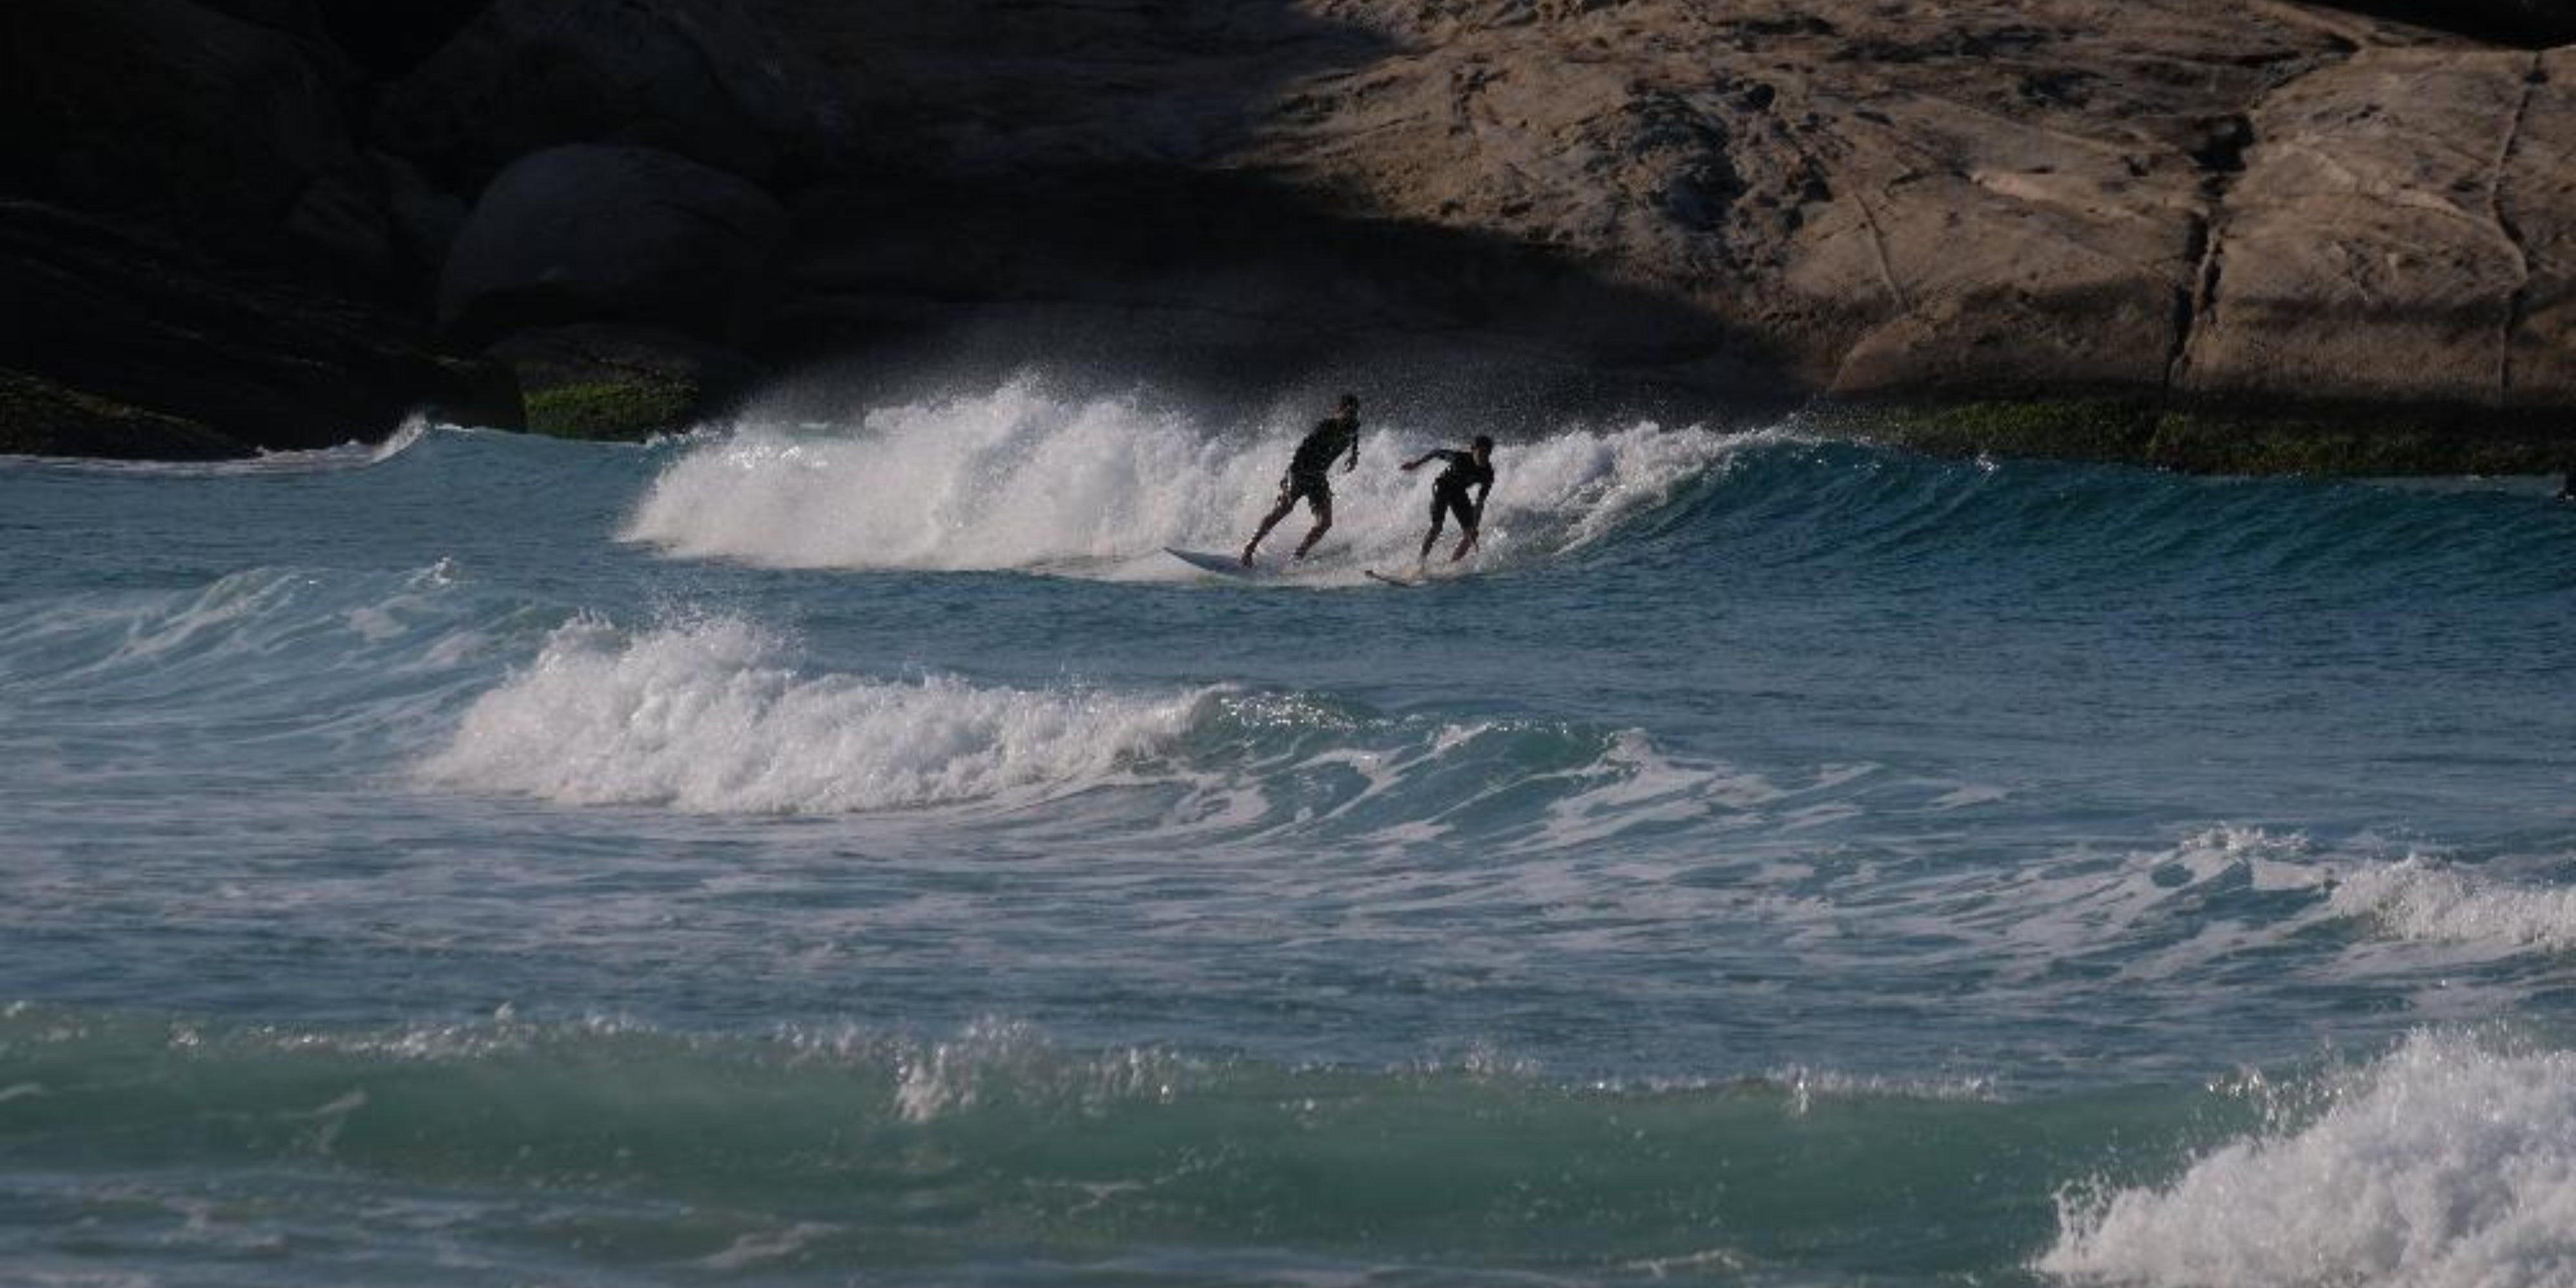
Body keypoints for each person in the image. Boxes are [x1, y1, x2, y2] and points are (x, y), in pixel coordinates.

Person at [1242, 393, 1362, 564]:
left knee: (1325, 522)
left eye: (1355, 412)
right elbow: (1302, 450)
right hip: (1299, 473)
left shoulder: (1355, 426)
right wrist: (1289, 477)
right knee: (1284, 508)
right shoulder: (1326, 426)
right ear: (1339, 411)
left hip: (1318, 478)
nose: (1351, 416)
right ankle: (1249, 549)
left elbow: (1355, 437)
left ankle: (1298, 555)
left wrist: (1354, 456)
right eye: (1348, 412)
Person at [1401, 434, 1495, 563]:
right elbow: (1436, 452)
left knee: (1471, 534)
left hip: (1458, 493)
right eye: (1481, 453)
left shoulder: (1488, 474)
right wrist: (1416, 464)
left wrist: (1474, 525)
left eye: (1487, 454)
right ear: (1473, 449)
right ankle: (1420, 562)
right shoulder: (1459, 458)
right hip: (1442, 487)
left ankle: (1452, 564)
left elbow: (1480, 503)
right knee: (1437, 528)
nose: (1483, 458)